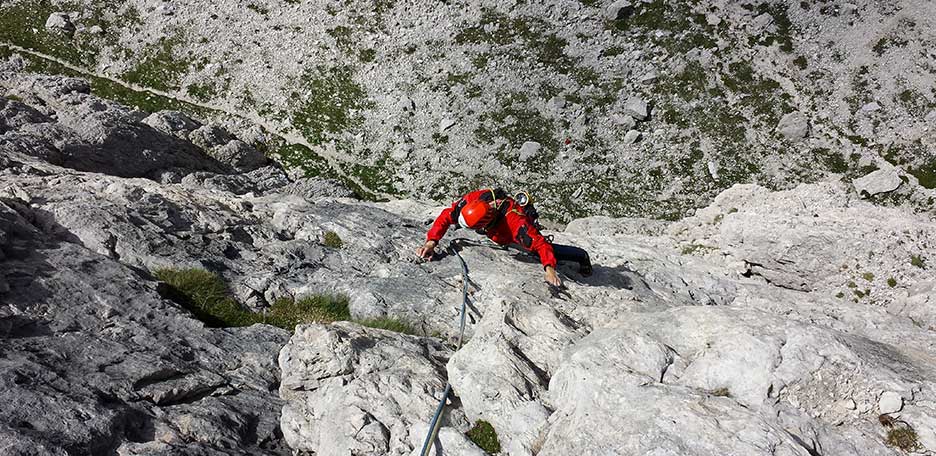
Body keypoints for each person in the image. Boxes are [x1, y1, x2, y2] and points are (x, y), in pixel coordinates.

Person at [416, 188, 592, 287]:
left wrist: (549, 269)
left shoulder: (515, 223)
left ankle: (581, 256)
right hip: (496, 229)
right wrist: (432, 242)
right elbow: (447, 215)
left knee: (534, 251)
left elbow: (540, 244)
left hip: (509, 234)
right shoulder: (473, 201)